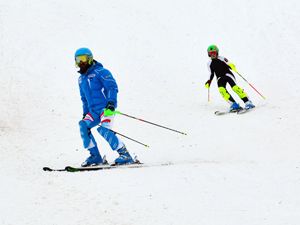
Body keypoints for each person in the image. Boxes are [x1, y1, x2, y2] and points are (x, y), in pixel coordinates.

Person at [75, 47, 134, 166]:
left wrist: (111, 101)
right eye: (78, 59)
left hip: (106, 109)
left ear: (90, 59)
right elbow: (84, 99)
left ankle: (125, 155)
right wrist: (85, 112)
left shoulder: (101, 72)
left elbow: (112, 87)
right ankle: (95, 156)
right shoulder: (81, 79)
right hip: (93, 111)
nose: (82, 62)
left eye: (84, 59)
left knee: (104, 129)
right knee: (83, 126)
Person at [205, 45, 255, 111]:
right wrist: (209, 81)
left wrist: (231, 66)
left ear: (217, 53)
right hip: (219, 78)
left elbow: (229, 63)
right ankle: (234, 104)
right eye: (210, 53)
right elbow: (211, 73)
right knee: (222, 90)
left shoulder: (222, 58)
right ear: (208, 54)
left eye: (214, 53)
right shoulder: (209, 63)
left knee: (234, 87)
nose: (212, 55)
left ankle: (248, 102)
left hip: (228, 75)